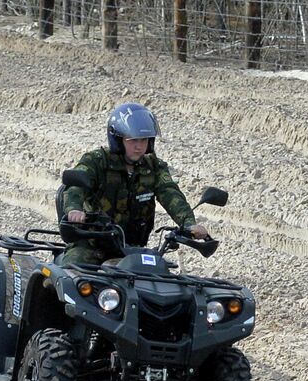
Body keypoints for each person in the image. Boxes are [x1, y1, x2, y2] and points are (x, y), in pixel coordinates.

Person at [56, 102, 211, 265]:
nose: (139, 146)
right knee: (73, 274)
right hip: (91, 245)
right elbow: (76, 186)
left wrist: (189, 224)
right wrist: (74, 209)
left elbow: (171, 194)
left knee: (160, 281)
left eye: (144, 140)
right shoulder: (97, 162)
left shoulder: (154, 167)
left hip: (132, 249)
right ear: (118, 139)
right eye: (133, 140)